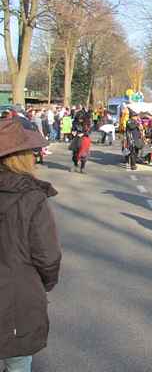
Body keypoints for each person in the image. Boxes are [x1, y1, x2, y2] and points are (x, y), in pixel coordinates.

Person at [0, 117, 62, 372]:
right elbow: (47, 256)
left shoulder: (32, 197)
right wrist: (45, 283)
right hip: (17, 297)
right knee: (17, 362)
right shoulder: (32, 198)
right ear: (21, 157)